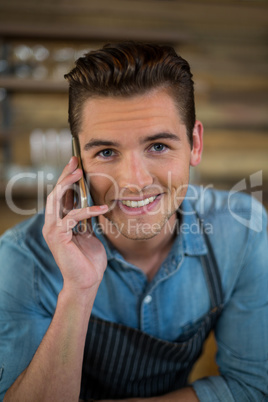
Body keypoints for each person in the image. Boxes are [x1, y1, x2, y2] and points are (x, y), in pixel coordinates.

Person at [0, 42, 267, 402]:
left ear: (195, 143)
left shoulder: (243, 231)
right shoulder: (22, 257)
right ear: (77, 161)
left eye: (158, 146)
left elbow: (252, 388)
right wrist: (78, 291)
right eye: (106, 152)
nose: (134, 181)